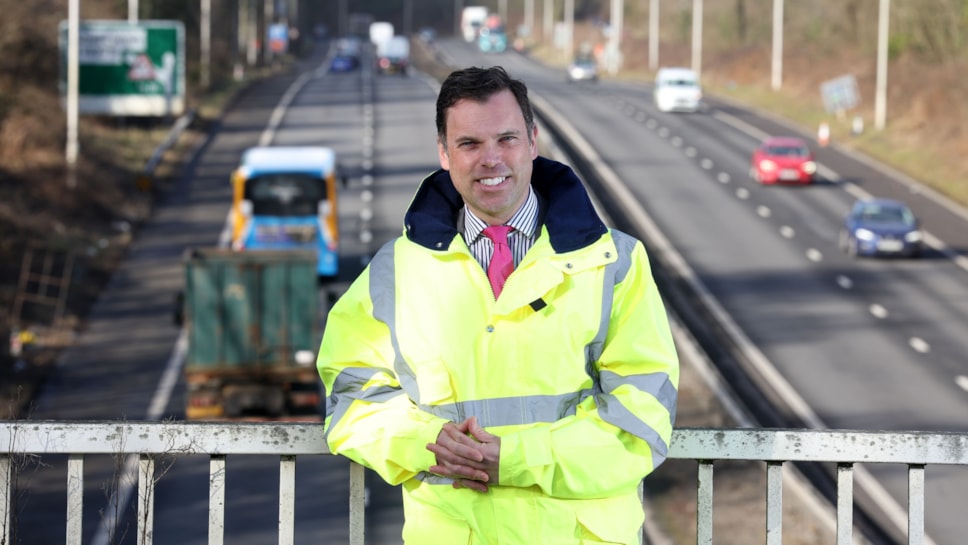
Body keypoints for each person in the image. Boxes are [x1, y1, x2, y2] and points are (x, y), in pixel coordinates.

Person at [316, 65, 680, 545]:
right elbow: (349, 399)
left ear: (532, 141)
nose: (491, 159)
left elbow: (642, 422)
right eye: (469, 144)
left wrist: (511, 458)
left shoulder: (616, 263)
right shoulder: (395, 271)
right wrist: (425, 444)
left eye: (506, 139)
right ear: (444, 154)